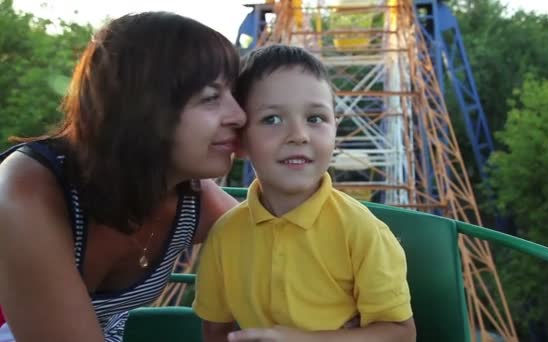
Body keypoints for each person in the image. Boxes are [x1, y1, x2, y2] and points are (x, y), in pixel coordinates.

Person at [0, 11, 246, 342]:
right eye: (212, 98)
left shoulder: (189, 198)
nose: (240, 115)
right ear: (145, 107)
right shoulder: (26, 192)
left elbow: (287, 248)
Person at [193, 44, 416, 342]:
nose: (298, 135)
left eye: (315, 118)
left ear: (335, 131)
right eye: (272, 119)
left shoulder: (362, 232)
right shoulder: (224, 236)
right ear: (240, 143)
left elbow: (401, 334)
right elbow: (215, 330)